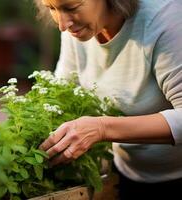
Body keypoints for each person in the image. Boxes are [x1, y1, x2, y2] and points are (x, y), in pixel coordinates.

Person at [34, 0, 182, 199]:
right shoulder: (76, 29)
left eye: (71, 8)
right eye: (51, 8)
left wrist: (102, 128)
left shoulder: (165, 20)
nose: (62, 24)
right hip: (126, 172)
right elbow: (61, 90)